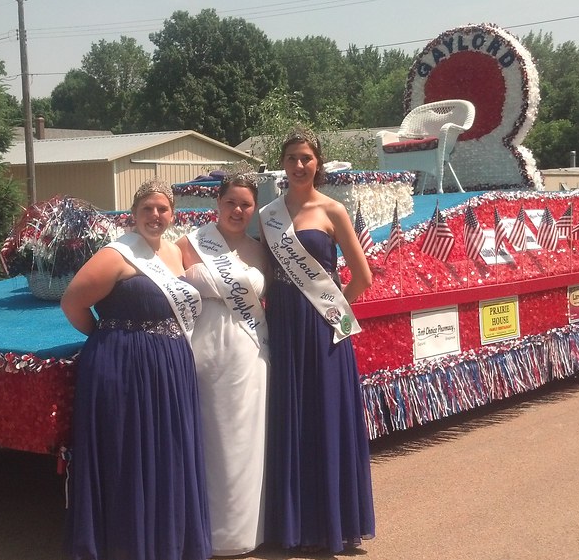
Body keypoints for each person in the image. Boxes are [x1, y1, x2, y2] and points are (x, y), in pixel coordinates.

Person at [61, 180, 210, 560]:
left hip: (170, 367)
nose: (155, 216)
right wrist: (107, 337)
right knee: (130, 454)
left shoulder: (175, 256)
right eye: (147, 209)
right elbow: (72, 303)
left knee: (167, 454)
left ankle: (165, 540)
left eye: (162, 209)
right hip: (125, 367)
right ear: (134, 214)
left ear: (172, 214)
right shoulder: (117, 255)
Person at [258, 128, 376, 553]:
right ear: (283, 165)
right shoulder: (269, 214)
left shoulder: (333, 211)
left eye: (306, 158)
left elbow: (363, 277)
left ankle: (331, 524)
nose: (299, 165)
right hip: (285, 327)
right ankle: (292, 526)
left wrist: (334, 312)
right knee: (290, 417)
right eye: (292, 158)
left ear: (318, 164)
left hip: (324, 327)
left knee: (325, 417)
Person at [176, 173, 271, 556]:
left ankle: (246, 532)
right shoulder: (189, 243)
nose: (237, 210)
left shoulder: (262, 250)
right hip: (204, 351)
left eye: (245, 204)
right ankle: (206, 532)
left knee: (247, 441)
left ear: (253, 208)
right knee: (209, 438)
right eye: (231, 202)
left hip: (251, 352)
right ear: (218, 202)